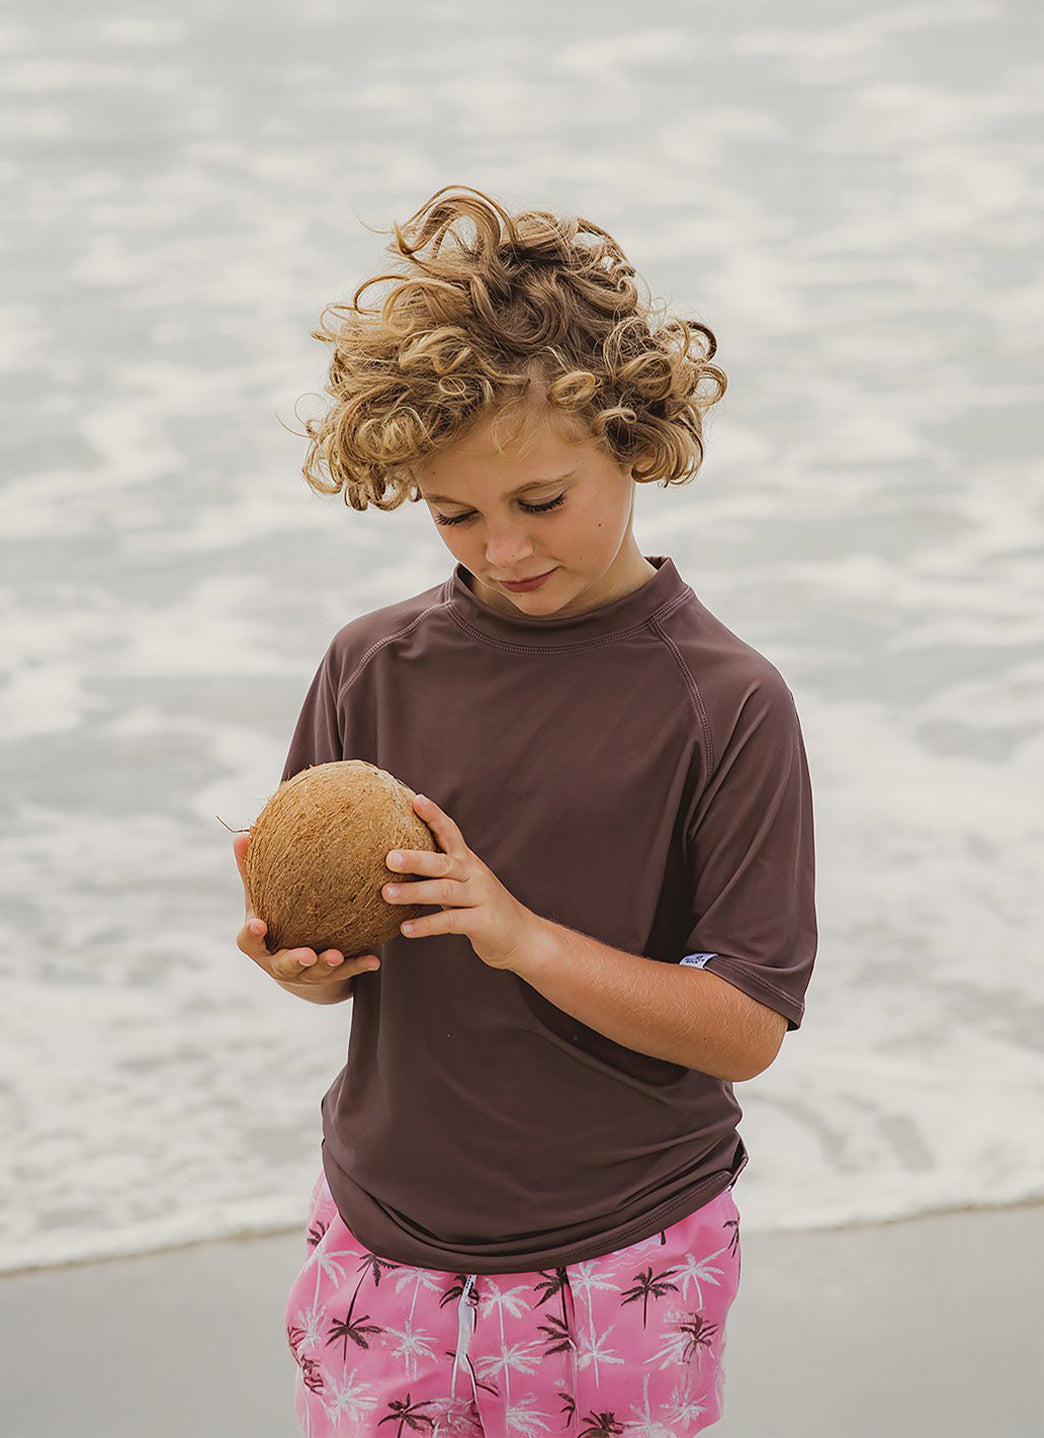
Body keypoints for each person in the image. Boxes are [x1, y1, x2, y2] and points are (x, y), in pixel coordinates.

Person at [233, 184, 816, 1438]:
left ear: (637, 440)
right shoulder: (369, 668)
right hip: (382, 1238)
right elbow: (347, 965)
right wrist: (307, 967)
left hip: (627, 1251)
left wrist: (525, 935)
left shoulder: (726, 702)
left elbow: (744, 1025)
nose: (502, 547)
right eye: (456, 513)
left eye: (540, 501)